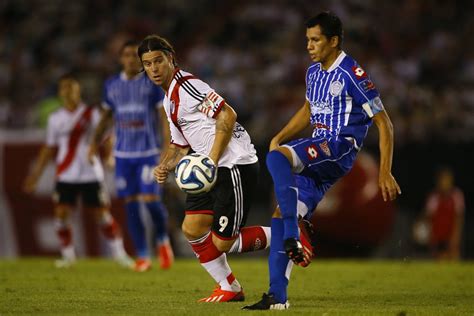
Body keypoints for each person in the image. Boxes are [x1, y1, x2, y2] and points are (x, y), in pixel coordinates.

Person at [243, 11, 402, 310]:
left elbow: (384, 123)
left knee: (277, 160)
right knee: (280, 215)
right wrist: (280, 135)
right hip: (318, 158)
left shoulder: (352, 73)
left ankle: (295, 233)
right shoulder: (313, 72)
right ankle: (278, 296)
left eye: (315, 40)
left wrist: (384, 171)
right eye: (307, 40)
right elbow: (308, 109)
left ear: (334, 41)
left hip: (338, 147)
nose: (309, 46)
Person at [138, 35, 272, 303]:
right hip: (207, 169)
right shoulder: (169, 100)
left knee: (223, 242)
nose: (153, 68)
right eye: (147, 64)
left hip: (232, 163)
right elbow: (179, 145)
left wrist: (210, 158)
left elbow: (227, 115)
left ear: (171, 59)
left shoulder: (188, 86)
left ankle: (290, 233)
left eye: (158, 61)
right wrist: (165, 165)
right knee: (192, 227)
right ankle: (229, 287)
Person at [23, 74, 132, 268]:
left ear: (78, 91)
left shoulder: (91, 113)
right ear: (60, 93)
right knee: (61, 213)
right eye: (64, 88)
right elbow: (48, 148)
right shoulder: (55, 118)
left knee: (102, 214)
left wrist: (108, 157)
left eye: (71, 87)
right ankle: (68, 256)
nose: (68, 91)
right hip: (66, 173)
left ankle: (119, 254)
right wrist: (35, 176)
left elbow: (106, 137)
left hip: (91, 172)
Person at [89, 40, 174, 272]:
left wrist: (167, 147)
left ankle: (162, 241)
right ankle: (143, 255)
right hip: (123, 155)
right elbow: (106, 117)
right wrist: (93, 144)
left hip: (148, 152)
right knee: (131, 205)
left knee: (151, 201)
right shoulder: (112, 85)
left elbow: (163, 117)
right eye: (126, 55)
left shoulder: (151, 84)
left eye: (134, 56)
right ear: (120, 59)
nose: (130, 59)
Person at [423, 167, 464, 260]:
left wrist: (456, 235)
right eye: (442, 180)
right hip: (437, 235)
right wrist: (429, 234)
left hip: (451, 234)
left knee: (454, 258)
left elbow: (459, 217)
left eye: (447, 180)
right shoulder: (434, 197)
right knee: (439, 260)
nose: (444, 183)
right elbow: (428, 216)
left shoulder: (457, 195)